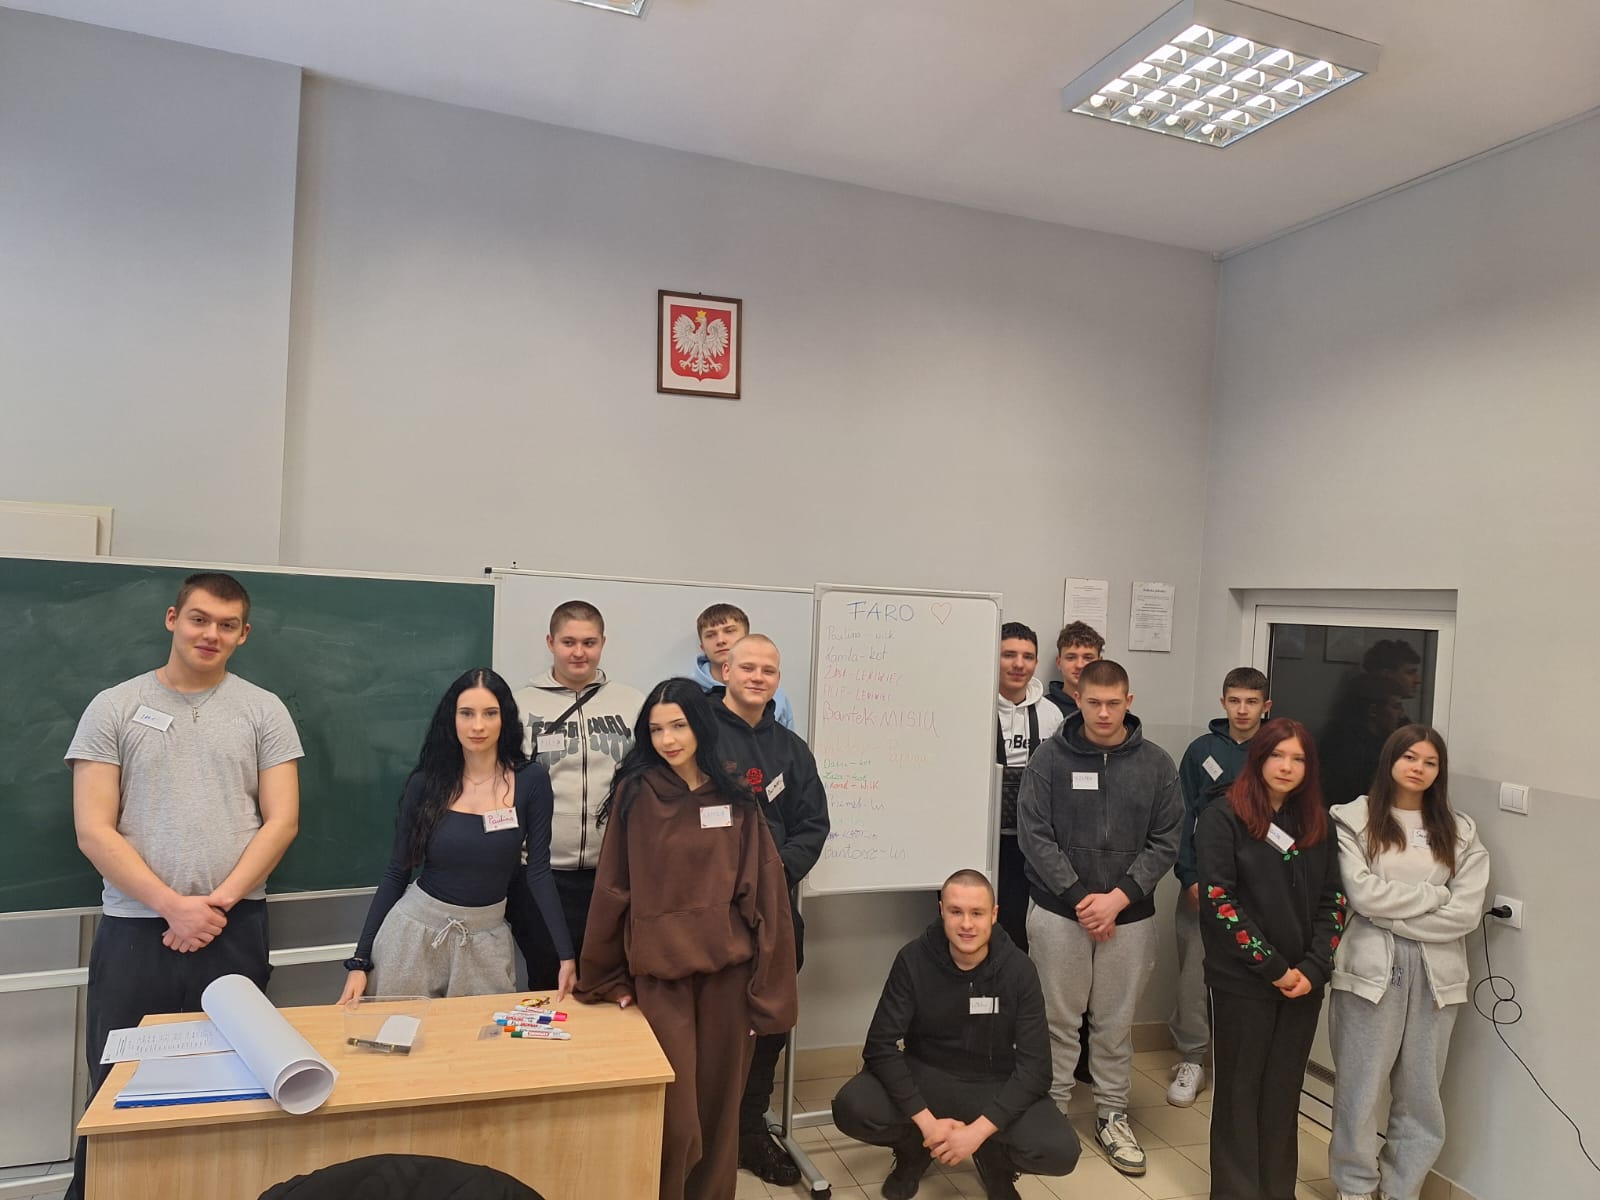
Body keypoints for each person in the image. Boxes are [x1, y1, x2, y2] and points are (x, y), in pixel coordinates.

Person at [65, 572, 303, 1200]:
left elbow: (282, 821)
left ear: (243, 634)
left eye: (227, 625)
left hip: (233, 927)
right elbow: (93, 828)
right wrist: (173, 906)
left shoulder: (264, 710)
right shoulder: (114, 707)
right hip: (135, 930)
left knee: (236, 1083)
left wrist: (215, 905)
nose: (211, 634)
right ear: (173, 619)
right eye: (199, 619)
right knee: (118, 1085)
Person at [575, 678, 797, 1200]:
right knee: (676, 1123)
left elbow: (767, 896)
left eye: (677, 725)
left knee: (720, 1121)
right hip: (662, 980)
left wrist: (769, 995)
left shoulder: (735, 797)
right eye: (656, 730)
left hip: (728, 980)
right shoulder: (636, 794)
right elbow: (613, 887)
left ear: (700, 725)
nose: (667, 739)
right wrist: (605, 976)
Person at [1017, 659, 1180, 1177]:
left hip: (1128, 918)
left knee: (1114, 1024)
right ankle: (1052, 1113)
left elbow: (1167, 840)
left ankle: (1112, 1114)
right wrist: (1080, 898)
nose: (1104, 713)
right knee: (1057, 1021)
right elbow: (1034, 834)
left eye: (1113, 703)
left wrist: (1118, 898)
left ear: (1129, 702)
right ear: (1077, 699)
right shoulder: (1048, 759)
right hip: (1058, 912)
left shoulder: (1157, 764)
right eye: (1094, 703)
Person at [831, 870, 1080, 1200]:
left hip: (993, 1082)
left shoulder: (1019, 970)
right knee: (852, 1107)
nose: (966, 924)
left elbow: (1037, 1070)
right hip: (925, 1074)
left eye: (977, 913)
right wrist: (928, 1125)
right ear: (941, 911)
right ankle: (914, 1149)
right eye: (956, 911)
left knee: (1061, 1150)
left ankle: (994, 1159)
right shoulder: (913, 959)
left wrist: (978, 1132)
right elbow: (879, 1047)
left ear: (993, 915)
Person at [339, 669, 574, 1004]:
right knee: (402, 1034)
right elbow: (396, 872)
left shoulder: (531, 781)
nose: (478, 726)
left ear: (505, 719)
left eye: (489, 713)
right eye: (466, 713)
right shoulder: (426, 783)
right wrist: (360, 960)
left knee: (485, 1036)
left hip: (486, 939)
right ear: (452, 719)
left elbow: (538, 871)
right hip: (413, 935)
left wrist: (565, 956)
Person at [1328, 726, 1489, 1200]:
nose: (1418, 768)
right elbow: (1362, 894)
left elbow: (1465, 913)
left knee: (1422, 1094)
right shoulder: (1353, 818)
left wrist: (1390, 917)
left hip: (1438, 976)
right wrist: (1434, 895)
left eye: (1430, 762)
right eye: (1409, 758)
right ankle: (1354, 1186)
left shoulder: (1460, 830)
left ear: (1440, 771)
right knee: (1360, 1089)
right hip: (1369, 972)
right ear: (1390, 761)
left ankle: (1402, 1188)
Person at [1196, 718, 1347, 1200]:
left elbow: (1335, 900)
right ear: (1259, 758)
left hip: (1303, 984)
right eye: (1277, 755)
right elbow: (1219, 902)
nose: (1286, 766)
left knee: (1282, 1093)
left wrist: (1313, 968)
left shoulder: (1318, 824)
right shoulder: (1224, 817)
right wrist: (1274, 968)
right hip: (1242, 982)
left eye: (1298, 758)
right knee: (1239, 1093)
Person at [708, 634, 830, 1185]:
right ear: (725, 670)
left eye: (769, 670)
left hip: (776, 910)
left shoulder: (791, 749)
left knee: (770, 1021)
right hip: (711, 914)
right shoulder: (698, 736)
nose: (758, 677)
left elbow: (813, 825)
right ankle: (707, 1133)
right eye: (748, 667)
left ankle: (749, 1128)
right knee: (715, 1024)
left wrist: (774, 875)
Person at [510, 600, 643, 990]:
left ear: (603, 643)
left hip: (612, 873)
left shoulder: (633, 704)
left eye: (589, 642)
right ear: (550, 642)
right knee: (550, 981)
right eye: (568, 642)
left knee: (609, 982)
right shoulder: (519, 706)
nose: (579, 652)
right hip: (540, 875)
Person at [1167, 666, 1272, 1107]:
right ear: (1223, 702)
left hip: (1257, 887)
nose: (1242, 709)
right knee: (1195, 973)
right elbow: (1181, 817)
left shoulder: (1277, 751)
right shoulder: (1201, 751)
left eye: (1252, 701)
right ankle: (1193, 1057)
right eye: (1235, 700)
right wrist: (1189, 877)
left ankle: (1239, 1062)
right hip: (1203, 884)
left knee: (1252, 973)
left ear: (1266, 706)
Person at [994, 621, 1064, 953]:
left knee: (1022, 935)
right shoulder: (971, 707)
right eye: (1009, 654)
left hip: (1031, 846)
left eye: (1028, 656)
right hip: (980, 844)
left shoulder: (1051, 714)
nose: (1018, 664)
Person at [692, 602, 796, 729]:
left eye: (729, 631)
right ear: (702, 647)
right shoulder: (688, 693)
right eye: (711, 635)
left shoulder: (777, 697)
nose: (720, 640)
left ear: (746, 638)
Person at [1042, 621, 1103, 719]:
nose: (1079, 665)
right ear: (1059, 663)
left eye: (1088, 658)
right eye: (1071, 658)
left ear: (1099, 663)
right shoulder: (1042, 709)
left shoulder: (1112, 707)